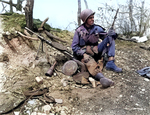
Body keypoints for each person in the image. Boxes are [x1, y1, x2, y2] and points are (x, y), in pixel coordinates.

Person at [71, 9, 122, 88]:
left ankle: (110, 63)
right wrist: (83, 54)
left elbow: (106, 37)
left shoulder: (97, 28)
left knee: (110, 38)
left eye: (93, 17)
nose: (92, 19)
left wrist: (113, 34)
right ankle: (102, 78)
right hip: (86, 54)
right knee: (90, 64)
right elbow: (74, 47)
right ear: (85, 19)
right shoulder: (79, 31)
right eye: (90, 18)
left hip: (96, 51)